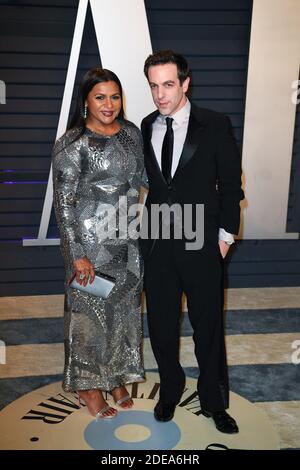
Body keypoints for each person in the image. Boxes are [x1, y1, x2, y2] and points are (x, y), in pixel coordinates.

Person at [140, 50, 244, 433]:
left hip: (203, 245)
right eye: (154, 85)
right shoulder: (146, 124)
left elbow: (232, 187)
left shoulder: (215, 125)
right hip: (159, 245)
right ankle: (171, 390)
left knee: (208, 328)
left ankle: (214, 400)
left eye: (168, 84)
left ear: (185, 83)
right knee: (163, 326)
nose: (160, 94)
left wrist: (224, 237)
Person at [52, 68, 145, 419]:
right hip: (90, 246)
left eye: (115, 96)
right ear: (86, 101)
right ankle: (89, 386)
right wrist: (76, 255)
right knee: (88, 317)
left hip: (128, 241)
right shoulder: (73, 142)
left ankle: (116, 376)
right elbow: (63, 204)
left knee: (122, 314)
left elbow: (147, 178)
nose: (109, 104)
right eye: (100, 97)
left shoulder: (132, 135)